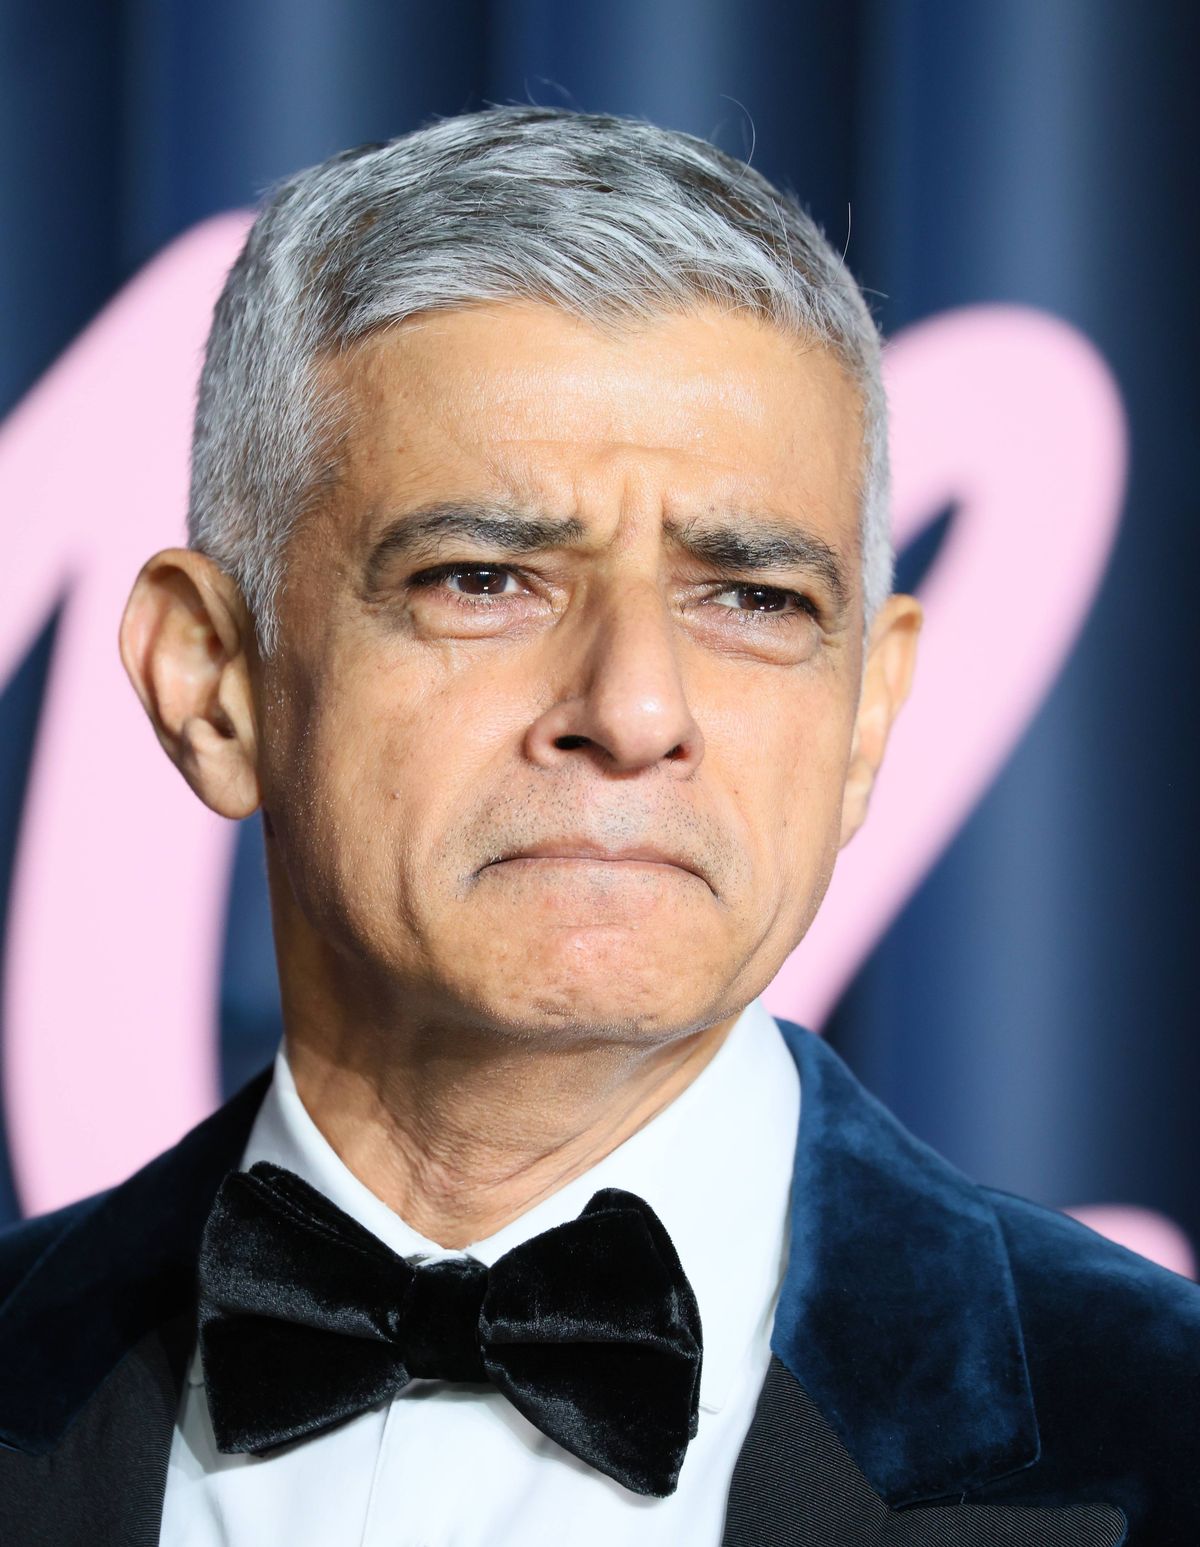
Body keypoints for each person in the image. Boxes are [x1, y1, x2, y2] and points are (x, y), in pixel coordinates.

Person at [0, 105, 1195, 1547]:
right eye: (485, 576)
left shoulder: (1161, 1427)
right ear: (214, 679)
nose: (633, 710)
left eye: (752, 601)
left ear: (868, 716)